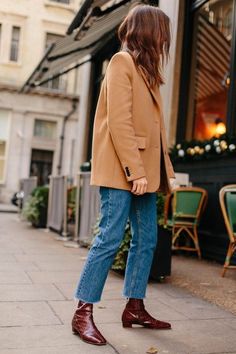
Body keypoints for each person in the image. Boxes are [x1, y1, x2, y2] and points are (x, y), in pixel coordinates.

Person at [71, 4, 175, 346]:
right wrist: (134, 170)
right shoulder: (121, 62)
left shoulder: (147, 72)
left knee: (147, 239)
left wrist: (164, 172)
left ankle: (134, 306)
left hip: (144, 172)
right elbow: (119, 121)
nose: (164, 40)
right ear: (148, 31)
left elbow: (155, 130)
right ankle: (82, 312)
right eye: (161, 32)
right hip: (122, 171)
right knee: (110, 237)